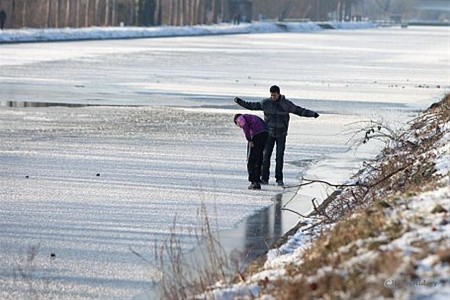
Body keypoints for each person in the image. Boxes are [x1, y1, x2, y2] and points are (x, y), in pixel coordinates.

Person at [234, 85, 319, 186]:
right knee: (266, 156)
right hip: (268, 133)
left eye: (274, 95)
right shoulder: (266, 103)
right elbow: (252, 106)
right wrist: (240, 101)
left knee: (279, 157)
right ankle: (264, 178)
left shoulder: (286, 104)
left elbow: (299, 110)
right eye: (271, 95)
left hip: (281, 133)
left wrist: (312, 114)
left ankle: (279, 179)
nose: (273, 97)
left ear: (279, 93)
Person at [234, 113, 268, 190]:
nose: (240, 126)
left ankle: (254, 181)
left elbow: (245, 126)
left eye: (238, 125)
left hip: (257, 135)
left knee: (251, 159)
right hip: (265, 133)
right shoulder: (251, 117)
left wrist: (249, 140)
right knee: (259, 157)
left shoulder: (240, 118)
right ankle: (258, 179)